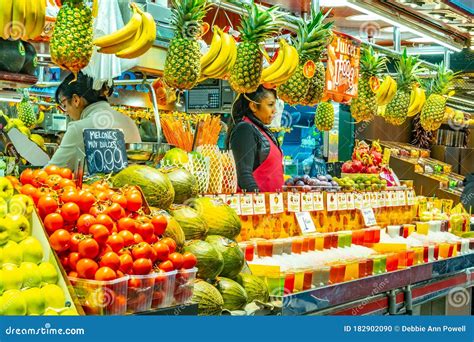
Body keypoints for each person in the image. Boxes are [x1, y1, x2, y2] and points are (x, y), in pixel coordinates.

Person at [48, 72, 141, 170]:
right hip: (133, 184)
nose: (66, 113)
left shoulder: (78, 128)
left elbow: (51, 171)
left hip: (96, 185)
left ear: (76, 100)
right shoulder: (129, 122)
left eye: (64, 105)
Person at [226, 85, 283, 192]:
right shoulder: (244, 130)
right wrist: (258, 203)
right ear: (253, 106)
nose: (274, 111)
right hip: (257, 205)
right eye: (270, 105)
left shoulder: (260, 130)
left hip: (272, 205)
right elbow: (243, 175)